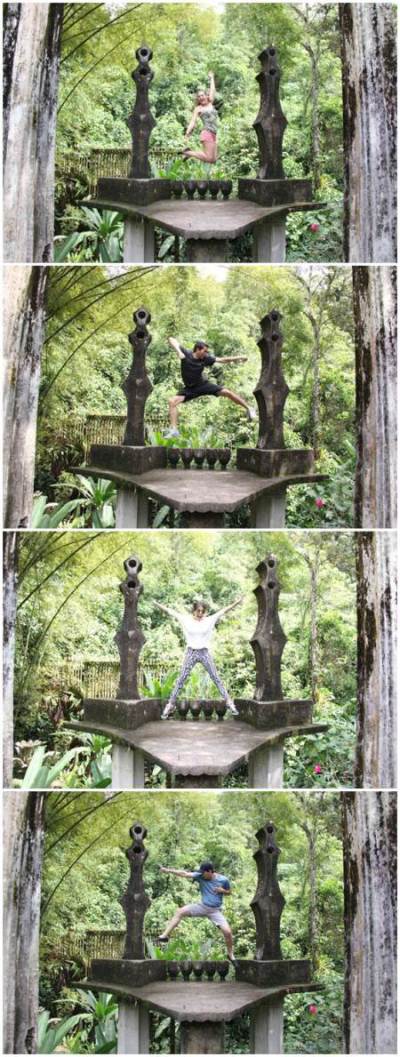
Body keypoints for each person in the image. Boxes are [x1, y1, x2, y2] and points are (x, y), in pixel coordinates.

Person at [154, 597, 242, 718]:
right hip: (191, 652)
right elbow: (171, 612)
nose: (200, 614)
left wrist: (236, 602)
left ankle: (229, 702)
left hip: (204, 653)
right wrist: (156, 604)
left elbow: (224, 611)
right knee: (181, 679)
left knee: (215, 677)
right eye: (198, 611)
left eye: (202, 611)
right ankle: (170, 705)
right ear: (193, 611)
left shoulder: (209, 620)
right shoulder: (185, 620)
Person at [165, 336, 256, 436]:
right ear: (198, 350)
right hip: (190, 389)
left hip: (203, 385)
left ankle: (249, 408)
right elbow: (171, 339)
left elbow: (222, 360)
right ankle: (174, 430)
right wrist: (178, 351)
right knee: (172, 401)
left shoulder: (205, 359)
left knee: (227, 392)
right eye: (205, 351)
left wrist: (239, 358)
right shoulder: (186, 354)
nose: (206, 353)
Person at [157, 860, 236, 960]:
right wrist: (168, 870)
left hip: (215, 911)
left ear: (210, 871)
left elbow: (229, 892)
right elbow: (184, 874)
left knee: (228, 932)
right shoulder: (200, 876)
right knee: (180, 911)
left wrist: (223, 891)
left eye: (204, 872)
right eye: (201, 872)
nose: (202, 874)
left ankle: (230, 954)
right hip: (202, 907)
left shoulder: (223, 880)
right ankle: (164, 936)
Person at [183, 72, 219, 164]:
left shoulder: (210, 103)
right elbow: (192, 122)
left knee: (213, 160)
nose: (201, 97)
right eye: (199, 97)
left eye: (202, 95)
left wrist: (211, 78)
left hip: (214, 133)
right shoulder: (198, 109)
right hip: (207, 133)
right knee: (208, 158)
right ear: (198, 99)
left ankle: (189, 153)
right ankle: (188, 153)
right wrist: (187, 134)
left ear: (206, 96)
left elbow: (212, 90)